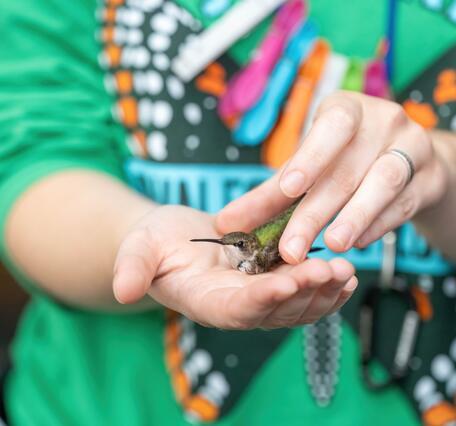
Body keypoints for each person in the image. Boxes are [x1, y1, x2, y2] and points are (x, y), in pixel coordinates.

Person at [0, 0, 455, 425]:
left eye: (236, 247)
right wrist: (136, 240)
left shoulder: (260, 251)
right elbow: (33, 165)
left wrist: (440, 174)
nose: (233, 250)